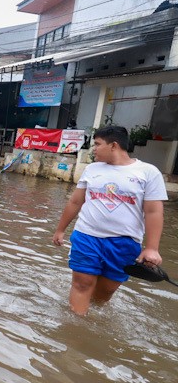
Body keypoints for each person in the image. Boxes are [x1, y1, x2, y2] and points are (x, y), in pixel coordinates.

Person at [52, 125, 167, 316]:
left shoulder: (148, 172)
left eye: (97, 144)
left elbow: (153, 211)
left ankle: (93, 316)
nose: (94, 149)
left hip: (124, 242)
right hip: (87, 236)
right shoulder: (92, 169)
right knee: (82, 283)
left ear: (114, 145)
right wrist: (60, 230)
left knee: (105, 292)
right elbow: (75, 201)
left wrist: (152, 248)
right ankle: (77, 325)